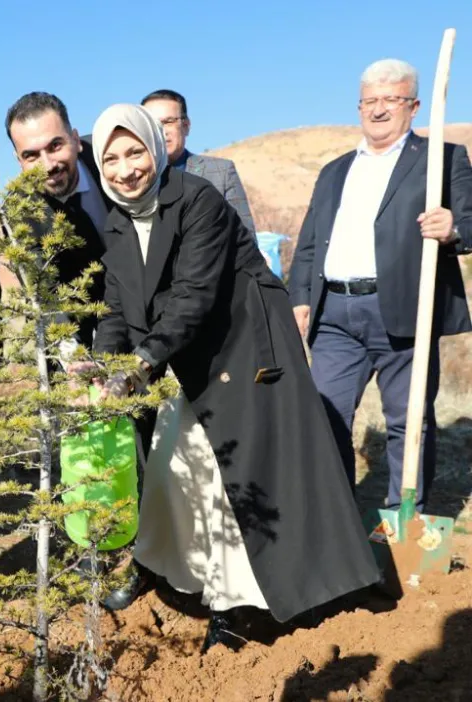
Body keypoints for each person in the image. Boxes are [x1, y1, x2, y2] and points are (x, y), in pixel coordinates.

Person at [90, 104, 380, 652]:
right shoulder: (118, 221)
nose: (126, 169)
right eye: (111, 158)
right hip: (187, 353)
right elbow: (114, 308)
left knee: (225, 475)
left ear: (156, 148)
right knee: (172, 460)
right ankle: (157, 562)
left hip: (244, 348)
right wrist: (105, 364)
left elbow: (194, 295)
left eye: (135, 152)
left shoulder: (198, 200)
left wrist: (143, 361)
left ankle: (236, 606)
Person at [288, 59, 472, 512]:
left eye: (391, 99)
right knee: (325, 417)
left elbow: (469, 220)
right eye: (370, 100)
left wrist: (453, 227)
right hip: (334, 312)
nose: (379, 109)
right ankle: (335, 523)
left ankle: (403, 519)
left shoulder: (442, 159)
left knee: (408, 423)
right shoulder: (335, 170)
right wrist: (299, 298)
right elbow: (311, 240)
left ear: (414, 106)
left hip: (406, 310)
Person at [5, 92, 111, 349]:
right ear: (20, 161)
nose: (48, 164)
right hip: (76, 311)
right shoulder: (20, 209)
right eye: (31, 155)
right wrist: (71, 355)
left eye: (55, 146)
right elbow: (44, 289)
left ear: (76, 140)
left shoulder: (109, 158)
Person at [141, 89, 255, 233]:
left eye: (168, 122)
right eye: (152, 124)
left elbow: (245, 240)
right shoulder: (130, 178)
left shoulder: (221, 173)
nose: (162, 131)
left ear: (186, 126)